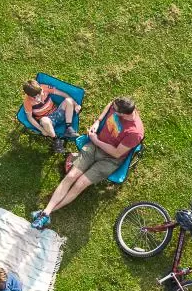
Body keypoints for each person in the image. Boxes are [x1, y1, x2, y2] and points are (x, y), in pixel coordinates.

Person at [31, 96, 144, 229]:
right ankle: (46, 213)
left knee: (80, 183)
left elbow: (116, 153)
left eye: (115, 110)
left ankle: (45, 213)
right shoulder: (120, 106)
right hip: (93, 147)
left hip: (110, 159)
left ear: (124, 114)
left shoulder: (135, 132)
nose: (112, 109)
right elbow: (110, 104)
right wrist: (98, 121)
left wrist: (95, 140)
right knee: (71, 176)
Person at [22, 78, 81, 153]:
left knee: (68, 100)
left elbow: (63, 94)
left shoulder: (44, 87)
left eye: (41, 92)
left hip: (57, 113)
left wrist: (75, 104)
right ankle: (56, 139)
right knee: (45, 121)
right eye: (35, 96)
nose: (41, 96)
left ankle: (68, 128)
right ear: (29, 96)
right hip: (47, 121)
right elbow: (29, 117)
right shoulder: (27, 102)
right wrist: (42, 130)